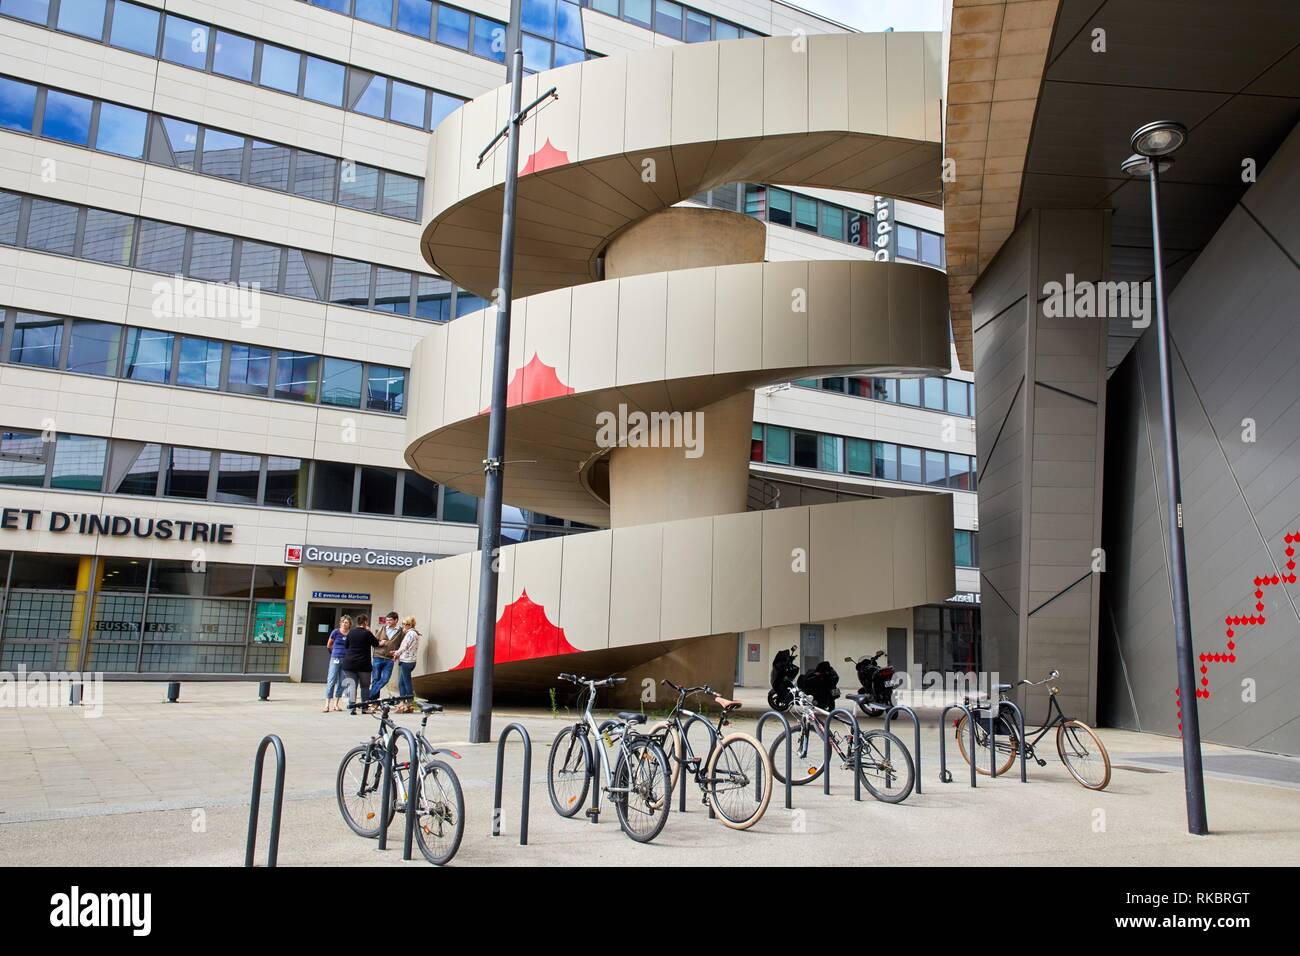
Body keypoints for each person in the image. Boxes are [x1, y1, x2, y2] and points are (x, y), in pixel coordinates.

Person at [340, 614, 378, 710]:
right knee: (365, 687)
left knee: (352, 685)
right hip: (363, 664)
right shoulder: (367, 633)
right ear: (365, 622)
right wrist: (370, 632)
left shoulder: (351, 633)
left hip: (349, 664)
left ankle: (352, 707)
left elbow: (346, 646)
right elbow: (376, 644)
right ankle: (364, 708)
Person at [368, 611, 402, 700]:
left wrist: (398, 654)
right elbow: (374, 642)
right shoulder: (382, 629)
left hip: (389, 659)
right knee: (375, 679)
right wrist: (380, 644)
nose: (388, 622)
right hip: (378, 656)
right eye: (387, 620)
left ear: (396, 620)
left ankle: (368, 697)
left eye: (390, 620)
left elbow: (402, 645)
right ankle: (373, 701)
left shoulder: (400, 631)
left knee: (385, 679)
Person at [323, 614, 351, 712]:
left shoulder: (350, 634)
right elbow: (329, 645)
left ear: (349, 624)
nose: (344, 624)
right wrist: (333, 653)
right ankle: (327, 704)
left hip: (345, 659)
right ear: (340, 623)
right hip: (335, 658)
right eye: (343, 622)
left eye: (346, 622)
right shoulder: (335, 632)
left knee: (341, 682)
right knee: (331, 680)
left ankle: (336, 704)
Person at [393, 616, 422, 705]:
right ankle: (403, 701)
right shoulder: (415, 634)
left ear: (410, 625)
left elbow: (404, 646)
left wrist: (396, 653)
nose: (404, 626)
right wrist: (397, 652)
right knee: (401, 682)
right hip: (410, 660)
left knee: (406, 682)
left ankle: (409, 701)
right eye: (403, 624)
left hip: (407, 661)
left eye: (406, 624)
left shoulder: (410, 634)